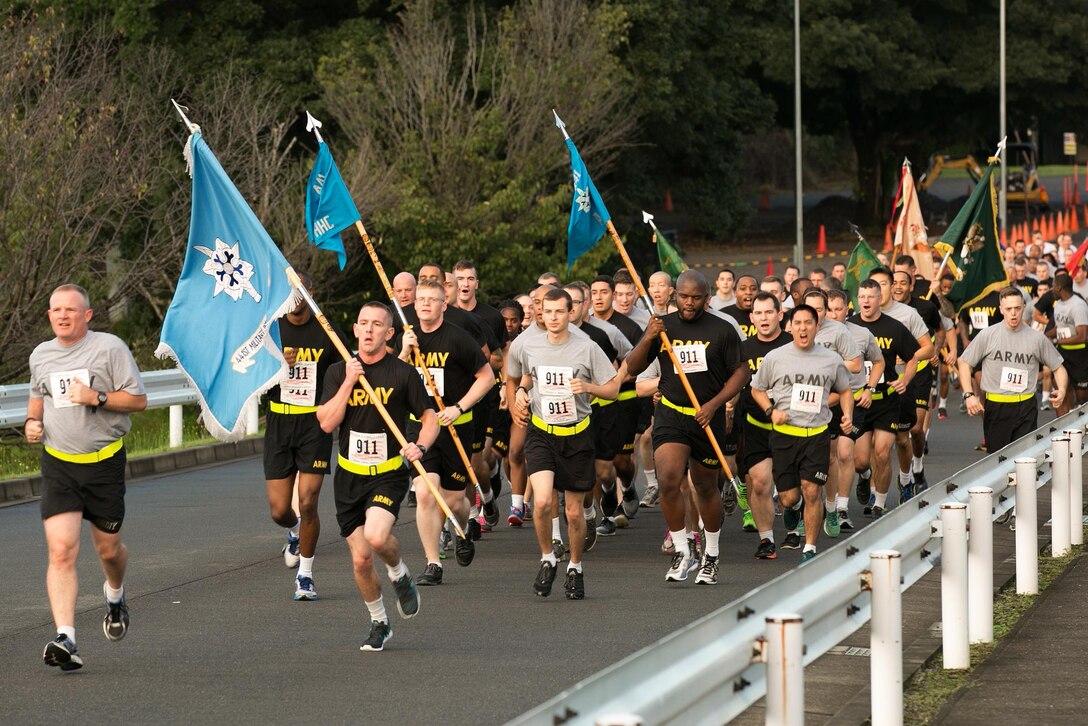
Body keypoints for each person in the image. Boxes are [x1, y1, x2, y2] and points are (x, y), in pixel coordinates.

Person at [27, 284, 148, 671]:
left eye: (71, 310)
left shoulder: (109, 348)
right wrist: (32, 422)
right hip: (59, 465)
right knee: (61, 550)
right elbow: (37, 398)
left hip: (104, 464)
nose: (63, 316)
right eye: (56, 310)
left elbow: (138, 400)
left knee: (109, 551)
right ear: (49, 315)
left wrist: (95, 397)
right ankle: (66, 637)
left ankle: (115, 596)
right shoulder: (40, 355)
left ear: (88, 315)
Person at [317, 302, 435, 652]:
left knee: (377, 537)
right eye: (363, 323)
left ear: (389, 333)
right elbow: (326, 422)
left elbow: (429, 417)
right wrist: (350, 381)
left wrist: (421, 447)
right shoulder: (339, 372)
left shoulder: (402, 373)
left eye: (377, 325)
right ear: (355, 330)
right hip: (349, 476)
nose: (369, 330)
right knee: (361, 559)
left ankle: (399, 572)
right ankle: (380, 623)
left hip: (387, 475)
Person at [626, 270, 749, 585]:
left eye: (696, 297)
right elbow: (633, 367)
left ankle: (712, 555)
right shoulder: (663, 327)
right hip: (671, 413)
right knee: (668, 480)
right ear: (673, 295)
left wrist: (714, 404)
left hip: (707, 416)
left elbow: (741, 373)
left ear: (707, 298)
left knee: (706, 487)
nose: (689, 303)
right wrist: (649, 337)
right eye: (684, 296)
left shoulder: (722, 330)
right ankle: (684, 551)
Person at [507, 288, 621, 599]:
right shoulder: (530, 346)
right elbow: (523, 375)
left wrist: (588, 386)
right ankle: (547, 557)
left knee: (573, 512)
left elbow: (613, 389)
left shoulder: (587, 348)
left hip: (578, 435)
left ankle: (575, 566)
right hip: (542, 433)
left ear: (571, 313)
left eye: (561, 311)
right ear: (540, 313)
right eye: (548, 311)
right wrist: (519, 393)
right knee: (543, 502)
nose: (554, 317)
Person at [401, 279, 495, 586]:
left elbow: (487, 377)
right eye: (421, 299)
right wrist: (404, 353)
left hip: (455, 426)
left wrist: (460, 407)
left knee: (454, 500)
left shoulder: (458, 339)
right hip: (420, 426)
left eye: (433, 299)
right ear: (414, 305)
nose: (426, 304)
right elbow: (390, 376)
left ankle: (464, 521)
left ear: (444, 305)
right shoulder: (408, 337)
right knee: (427, 492)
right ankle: (432, 562)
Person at [750, 304, 853, 563]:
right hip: (784, 435)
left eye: (809, 323)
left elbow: (845, 390)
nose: (803, 328)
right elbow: (757, 389)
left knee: (811, 490)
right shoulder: (775, 357)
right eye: (798, 323)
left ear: (817, 327)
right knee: (789, 497)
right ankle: (793, 508)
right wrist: (771, 411)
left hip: (817, 434)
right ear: (790, 326)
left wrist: (848, 415)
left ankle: (809, 548)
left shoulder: (831, 359)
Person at [264, 274, 346, 600]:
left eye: (301, 291)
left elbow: (344, 371)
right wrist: (275, 366)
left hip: (315, 424)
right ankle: (294, 530)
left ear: (311, 293)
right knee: (279, 509)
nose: (296, 297)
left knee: (309, 501)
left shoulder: (326, 328)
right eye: (290, 291)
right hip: (280, 424)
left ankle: (306, 576)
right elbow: (249, 375)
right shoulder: (271, 329)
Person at [958, 287, 1067, 451]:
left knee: (1024, 461)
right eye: (1008, 309)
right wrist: (968, 395)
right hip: (996, 406)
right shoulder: (988, 335)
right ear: (1001, 310)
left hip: (1026, 407)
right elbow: (964, 363)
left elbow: (1058, 368)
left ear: (1024, 307)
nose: (1013, 313)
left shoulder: (1037, 338)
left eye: (1017, 308)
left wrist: (1063, 389)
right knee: (998, 463)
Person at [847, 279, 921, 518]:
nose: (866, 301)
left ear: (880, 299)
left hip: (887, 399)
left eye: (871, 296)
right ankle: (865, 476)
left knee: (881, 452)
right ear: (857, 299)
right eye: (862, 296)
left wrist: (905, 380)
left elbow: (913, 357)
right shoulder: (848, 327)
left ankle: (879, 502)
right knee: (860, 461)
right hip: (859, 401)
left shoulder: (894, 327)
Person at [825, 288, 885, 533]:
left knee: (850, 456)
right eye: (829, 309)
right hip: (826, 403)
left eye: (838, 309)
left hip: (855, 400)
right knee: (831, 457)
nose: (834, 314)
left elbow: (879, 361)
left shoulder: (861, 334)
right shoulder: (815, 335)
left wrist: (870, 388)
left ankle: (842, 508)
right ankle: (831, 506)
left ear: (848, 309)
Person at [738, 293, 792, 559]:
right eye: (758, 314)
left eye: (769, 312)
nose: (764, 318)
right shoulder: (743, 350)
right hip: (756, 426)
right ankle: (766, 540)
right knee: (759, 484)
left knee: (789, 495)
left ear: (780, 314)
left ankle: (796, 511)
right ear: (751, 318)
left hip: (791, 427)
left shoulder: (794, 345)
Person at [1049, 273, 1088, 415]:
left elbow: (1082, 336)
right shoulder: (1058, 304)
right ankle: (1064, 424)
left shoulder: (1078, 306)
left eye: (1053, 286)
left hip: (1080, 355)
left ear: (1059, 287)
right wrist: (1044, 336)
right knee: (1060, 388)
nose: (1051, 289)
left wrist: (1056, 340)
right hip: (1062, 353)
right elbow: (1059, 327)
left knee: (1082, 396)